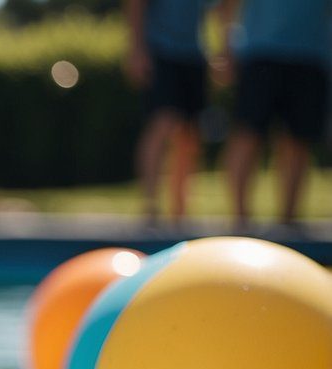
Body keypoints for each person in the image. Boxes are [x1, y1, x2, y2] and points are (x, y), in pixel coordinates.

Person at [220, 0, 332, 228]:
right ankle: (240, 221)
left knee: (298, 140)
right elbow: (227, 4)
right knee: (248, 135)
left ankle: (288, 225)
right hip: (260, 53)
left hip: (311, 56)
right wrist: (226, 47)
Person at [124, 0, 210, 224]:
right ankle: (151, 208)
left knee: (190, 135)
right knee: (163, 122)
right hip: (160, 49)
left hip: (194, 53)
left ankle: (179, 213)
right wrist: (136, 47)